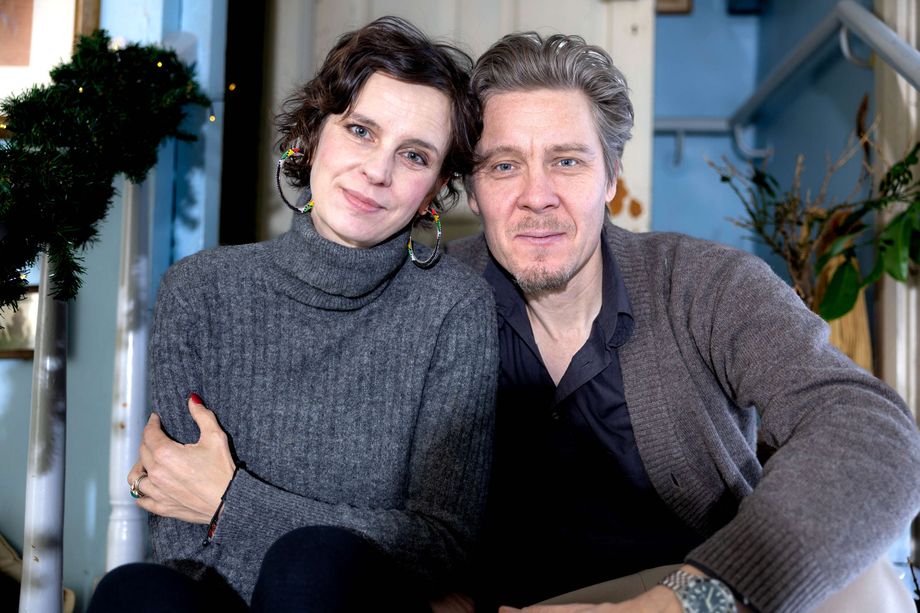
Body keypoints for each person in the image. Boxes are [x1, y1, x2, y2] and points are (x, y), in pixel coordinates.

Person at [449, 31, 920, 613]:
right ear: (473, 189)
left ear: (611, 178)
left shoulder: (705, 284)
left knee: (871, 592)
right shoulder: (429, 296)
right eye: (504, 165)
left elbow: (867, 426)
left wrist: (678, 604)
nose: (536, 196)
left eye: (566, 161)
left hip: (691, 592)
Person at [88, 16, 498, 612]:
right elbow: (178, 524)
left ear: (434, 189)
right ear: (310, 135)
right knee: (133, 593)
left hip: (354, 601)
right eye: (360, 130)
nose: (377, 171)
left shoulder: (454, 308)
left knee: (311, 566)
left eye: (414, 155)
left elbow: (440, 545)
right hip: (216, 598)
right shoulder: (201, 289)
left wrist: (230, 501)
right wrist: (231, 508)